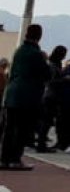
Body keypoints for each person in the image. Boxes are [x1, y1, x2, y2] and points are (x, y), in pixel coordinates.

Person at [0, 24, 51, 171]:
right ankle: (15, 159)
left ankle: (4, 159)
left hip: (11, 94)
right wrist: (45, 61)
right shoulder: (36, 54)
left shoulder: (19, 51)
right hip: (27, 96)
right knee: (22, 129)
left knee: (9, 129)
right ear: (39, 36)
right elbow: (46, 74)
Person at [38, 45, 68, 152]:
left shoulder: (54, 65)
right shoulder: (52, 66)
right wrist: (64, 79)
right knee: (46, 121)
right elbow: (50, 82)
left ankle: (42, 143)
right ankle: (41, 145)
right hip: (51, 96)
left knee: (47, 121)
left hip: (51, 96)